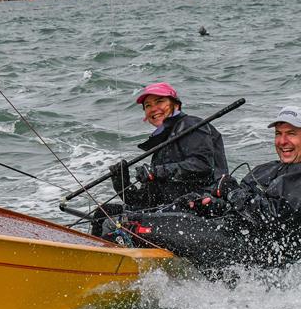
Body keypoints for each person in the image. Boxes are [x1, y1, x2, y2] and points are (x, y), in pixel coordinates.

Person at [117, 105, 301, 271]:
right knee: (118, 215)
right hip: (231, 235)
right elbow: (237, 207)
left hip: (255, 256)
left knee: (132, 224)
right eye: (278, 134)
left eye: (291, 133)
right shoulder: (266, 169)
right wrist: (209, 204)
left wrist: (231, 191)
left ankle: (113, 269)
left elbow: (267, 218)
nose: (283, 141)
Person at [93, 83, 227, 235]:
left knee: (113, 223)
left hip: (198, 209)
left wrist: (157, 171)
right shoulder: (163, 145)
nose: (153, 108)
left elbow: (202, 166)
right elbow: (146, 201)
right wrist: (121, 182)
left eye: (159, 101)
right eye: (148, 105)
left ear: (176, 105)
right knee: (103, 213)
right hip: (169, 211)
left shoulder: (190, 124)